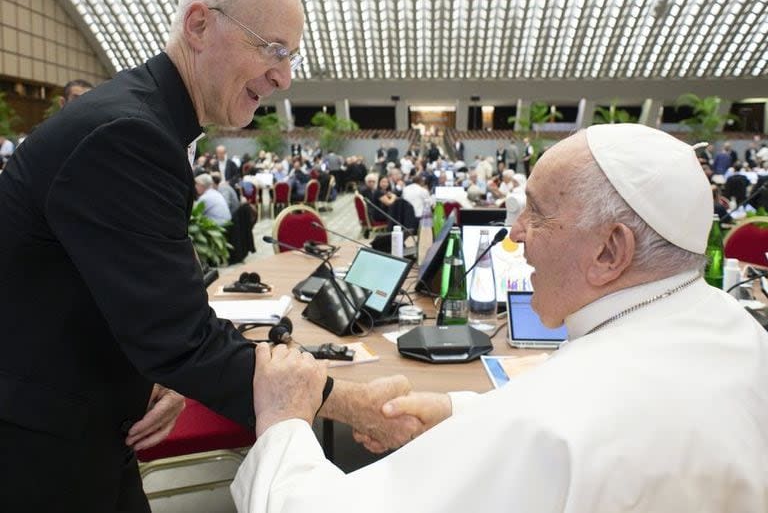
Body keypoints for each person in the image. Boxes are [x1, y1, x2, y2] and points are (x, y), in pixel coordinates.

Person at [0, 0, 417, 513]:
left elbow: (141, 306)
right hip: (38, 449)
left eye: (291, 56)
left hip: (77, 425)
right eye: (272, 49)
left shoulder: (142, 120)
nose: (284, 76)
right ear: (199, 25)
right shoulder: (126, 135)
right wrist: (351, 402)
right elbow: (181, 337)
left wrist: (164, 369)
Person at [231, 124, 768, 513]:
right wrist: (455, 411)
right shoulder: (736, 329)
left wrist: (283, 423)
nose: (514, 233)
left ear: (610, 252)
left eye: (538, 212)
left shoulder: (553, 422)